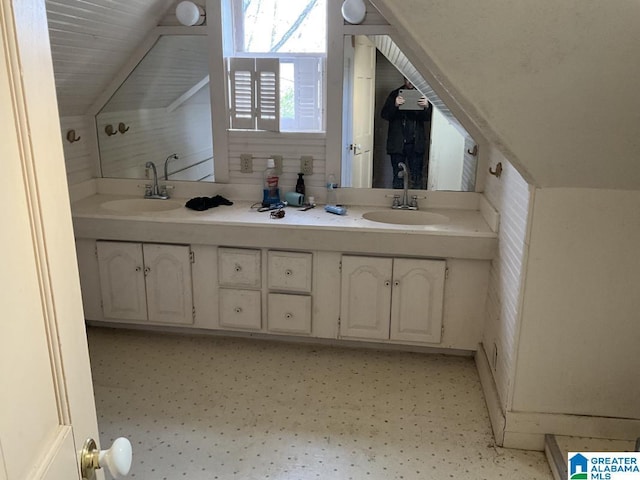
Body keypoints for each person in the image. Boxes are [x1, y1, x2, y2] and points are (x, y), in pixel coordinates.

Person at [381, 77, 432, 189]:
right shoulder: (395, 94)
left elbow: (429, 118)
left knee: (417, 177)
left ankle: (415, 202)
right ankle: (397, 202)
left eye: (412, 80)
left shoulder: (424, 95)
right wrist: (394, 105)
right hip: (397, 144)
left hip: (416, 144)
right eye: (407, 79)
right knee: (398, 177)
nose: (410, 82)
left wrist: (427, 107)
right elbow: (384, 115)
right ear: (403, 79)